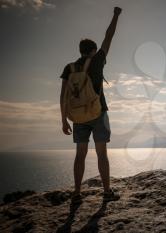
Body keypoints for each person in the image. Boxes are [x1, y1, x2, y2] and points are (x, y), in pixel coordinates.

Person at [59, 7, 122, 203]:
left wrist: (63, 121)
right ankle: (107, 192)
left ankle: (77, 194)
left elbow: (62, 96)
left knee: (80, 155)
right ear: (93, 51)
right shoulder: (97, 61)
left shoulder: (69, 68)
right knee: (102, 154)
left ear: (80, 51)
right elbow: (108, 36)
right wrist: (115, 15)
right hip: (98, 113)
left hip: (77, 116)